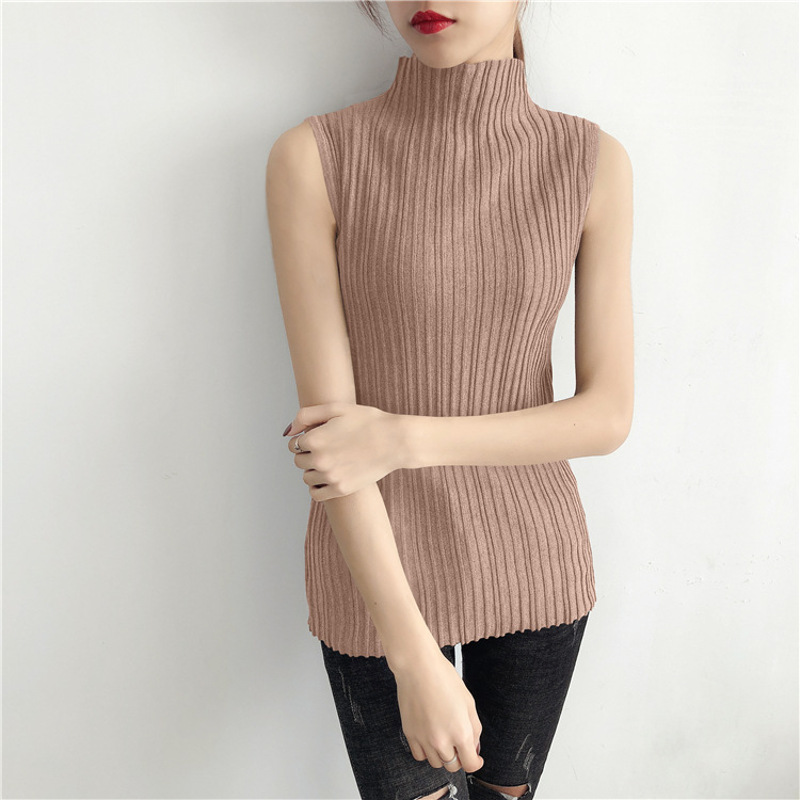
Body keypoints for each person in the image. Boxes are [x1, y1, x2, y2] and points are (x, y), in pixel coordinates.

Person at [266, 1, 633, 797]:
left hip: (535, 566)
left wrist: (403, 438)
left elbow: (607, 416)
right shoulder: (315, 158)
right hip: (372, 582)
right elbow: (332, 444)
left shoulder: (590, 160)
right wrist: (411, 656)